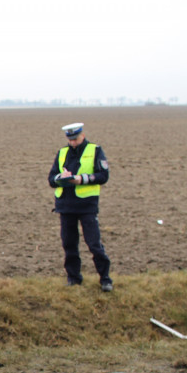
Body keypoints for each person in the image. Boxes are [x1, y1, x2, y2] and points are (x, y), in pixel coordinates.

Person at [48, 122, 113, 291]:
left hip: (86, 206)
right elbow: (51, 179)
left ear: (82, 136)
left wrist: (81, 179)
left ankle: (105, 278)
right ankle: (74, 278)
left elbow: (103, 175)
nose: (73, 143)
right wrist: (61, 177)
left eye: (76, 139)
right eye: (70, 140)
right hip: (66, 206)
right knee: (69, 244)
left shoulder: (95, 150)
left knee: (94, 244)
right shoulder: (62, 153)